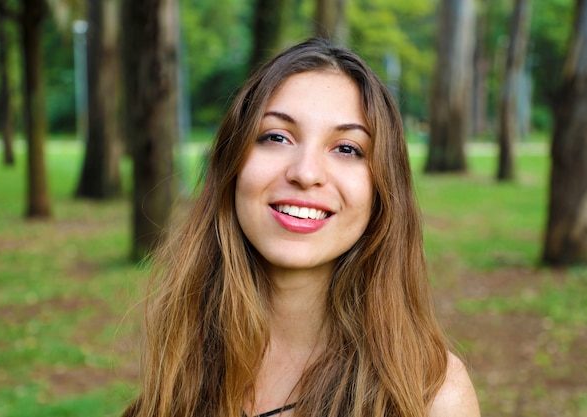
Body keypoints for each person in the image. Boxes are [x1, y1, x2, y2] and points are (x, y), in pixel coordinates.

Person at [122, 38, 480, 417]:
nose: (306, 174)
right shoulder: (182, 360)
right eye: (276, 137)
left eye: (347, 148)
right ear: (231, 168)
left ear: (382, 192)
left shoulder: (431, 395)